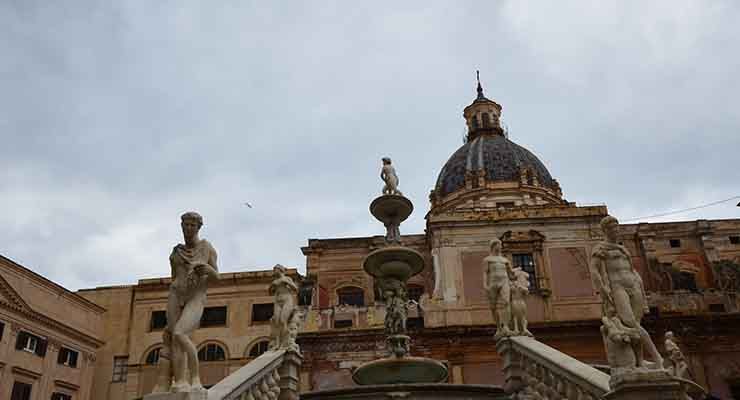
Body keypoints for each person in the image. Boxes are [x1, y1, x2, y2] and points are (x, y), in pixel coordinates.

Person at [153, 211, 219, 393]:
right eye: (186, 225)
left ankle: (196, 378)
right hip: (176, 294)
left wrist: (206, 268)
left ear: (198, 227)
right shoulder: (176, 252)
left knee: (181, 334)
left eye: (192, 225)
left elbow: (216, 277)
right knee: (175, 338)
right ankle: (181, 381)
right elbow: (174, 276)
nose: (188, 228)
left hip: (196, 296)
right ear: (182, 226)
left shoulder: (207, 248)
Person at [591, 215, 663, 370]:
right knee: (630, 322)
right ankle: (657, 357)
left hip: (634, 285)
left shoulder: (623, 248)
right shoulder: (600, 248)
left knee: (635, 324)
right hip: (617, 287)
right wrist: (602, 289)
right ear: (605, 230)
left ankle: (639, 361)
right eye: (612, 228)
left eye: (617, 227)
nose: (616, 230)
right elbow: (595, 271)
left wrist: (642, 288)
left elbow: (632, 269)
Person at [483, 238, 514, 339]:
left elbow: (511, 273)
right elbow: (485, 272)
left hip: (504, 282)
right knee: (493, 306)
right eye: (498, 245)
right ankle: (498, 327)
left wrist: (516, 273)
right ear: (493, 246)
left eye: (500, 245)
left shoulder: (505, 260)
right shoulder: (488, 259)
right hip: (493, 283)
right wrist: (485, 284)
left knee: (506, 302)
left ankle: (505, 326)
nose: (500, 247)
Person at [269, 264, 299, 351]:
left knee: (283, 321)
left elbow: (295, 289)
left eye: (275, 269)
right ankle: (277, 343)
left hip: (287, 300)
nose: (274, 271)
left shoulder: (287, 279)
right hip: (278, 301)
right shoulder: (275, 281)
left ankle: (285, 342)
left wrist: (285, 282)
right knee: (277, 322)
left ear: (280, 270)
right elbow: (270, 293)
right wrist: (272, 286)